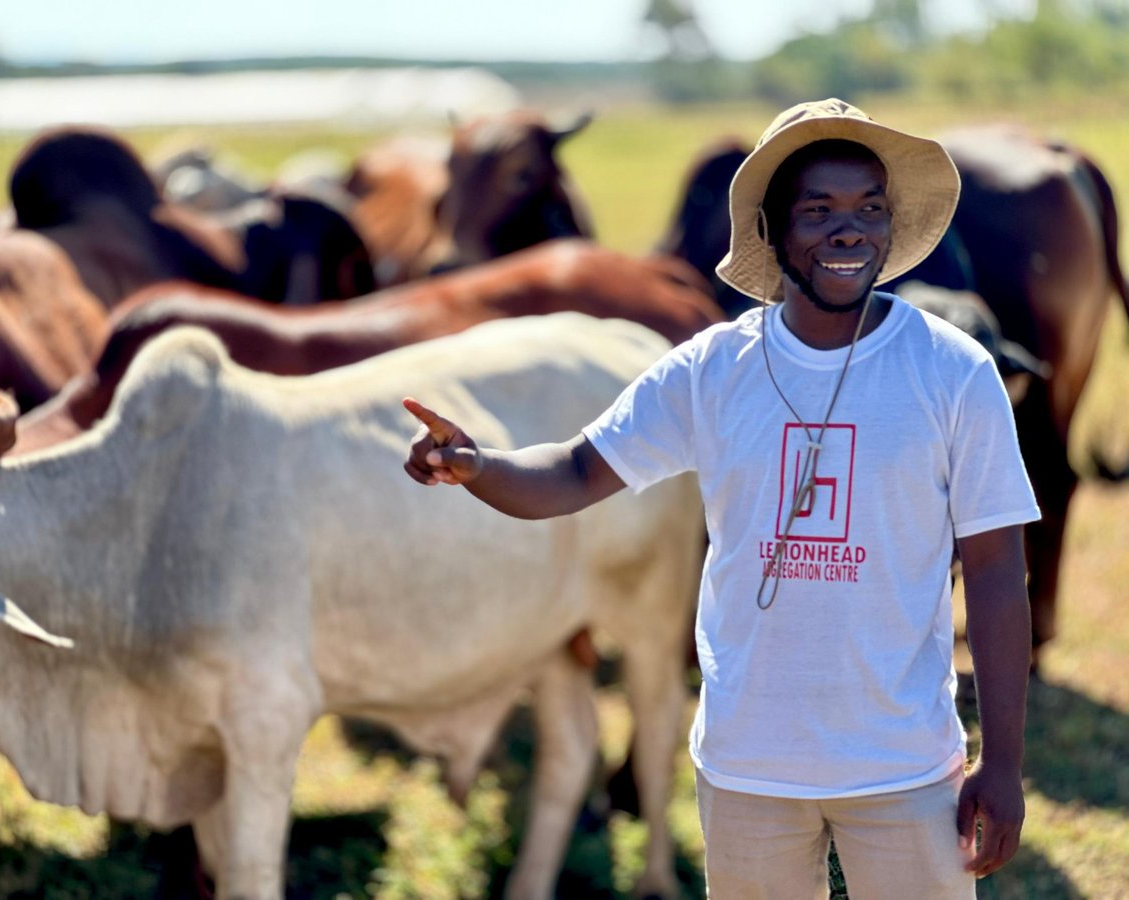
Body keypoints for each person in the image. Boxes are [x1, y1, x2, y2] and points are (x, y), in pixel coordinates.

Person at [402, 98, 1039, 899]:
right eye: (819, 211)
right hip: (746, 768)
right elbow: (571, 473)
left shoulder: (952, 372)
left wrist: (1004, 763)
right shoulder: (712, 369)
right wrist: (478, 464)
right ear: (770, 233)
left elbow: (993, 569)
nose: (851, 230)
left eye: (871, 209)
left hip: (904, 765)